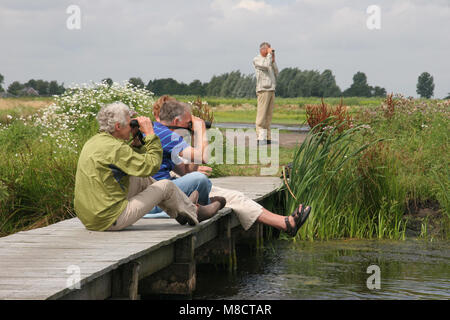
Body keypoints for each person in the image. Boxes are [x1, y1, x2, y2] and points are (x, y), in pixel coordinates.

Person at [146, 98, 311, 237]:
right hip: (159, 199)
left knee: (232, 195)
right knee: (202, 180)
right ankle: (197, 209)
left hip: (161, 194)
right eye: (188, 123)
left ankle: (285, 223)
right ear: (176, 122)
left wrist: (195, 135)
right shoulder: (167, 135)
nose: (190, 126)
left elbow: (187, 171)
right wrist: (201, 130)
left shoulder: (156, 131)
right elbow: (203, 158)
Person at [74, 102, 223, 231]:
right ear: (118, 126)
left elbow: (136, 166)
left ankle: (183, 212)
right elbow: (152, 166)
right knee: (166, 186)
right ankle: (194, 212)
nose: (132, 126)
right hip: (110, 219)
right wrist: (150, 134)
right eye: (129, 123)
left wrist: (138, 144)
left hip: (92, 218)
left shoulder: (95, 142)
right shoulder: (116, 148)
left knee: (140, 178)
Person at [253, 42, 279, 145]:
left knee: (268, 116)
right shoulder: (257, 59)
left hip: (271, 89)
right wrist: (269, 56)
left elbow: (276, 72)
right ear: (262, 50)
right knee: (261, 116)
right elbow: (265, 65)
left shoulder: (269, 59)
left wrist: (273, 60)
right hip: (263, 90)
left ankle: (267, 137)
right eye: (268, 49)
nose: (270, 51)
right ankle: (260, 138)